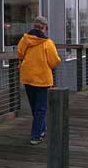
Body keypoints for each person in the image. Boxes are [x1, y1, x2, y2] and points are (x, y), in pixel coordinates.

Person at [17, 16, 61, 145]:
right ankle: (36, 136)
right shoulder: (47, 43)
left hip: (28, 77)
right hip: (42, 79)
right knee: (41, 108)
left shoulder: (25, 39)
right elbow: (54, 61)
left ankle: (41, 128)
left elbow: (19, 53)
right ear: (44, 28)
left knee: (34, 106)